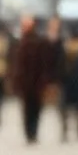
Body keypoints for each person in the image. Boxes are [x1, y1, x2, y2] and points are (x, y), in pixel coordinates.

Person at [7, 13, 58, 144]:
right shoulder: (24, 43)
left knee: (32, 109)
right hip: (31, 83)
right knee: (32, 109)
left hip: (33, 83)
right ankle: (31, 133)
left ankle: (31, 133)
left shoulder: (32, 43)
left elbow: (44, 63)